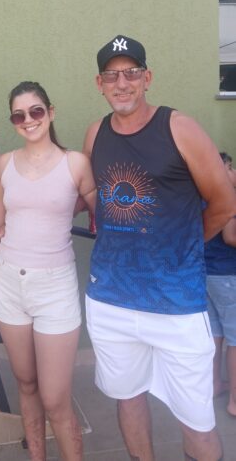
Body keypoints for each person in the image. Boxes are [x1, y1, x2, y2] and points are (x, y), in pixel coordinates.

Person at [83, 34, 236, 461]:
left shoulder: (179, 128)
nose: (122, 83)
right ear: (99, 83)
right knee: (128, 397)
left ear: (147, 77)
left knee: (197, 419)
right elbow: (95, 196)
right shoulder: (96, 134)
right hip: (111, 299)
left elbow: (225, 204)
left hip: (176, 303)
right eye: (112, 75)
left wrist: (182, 245)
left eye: (131, 73)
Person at [0, 81, 96, 461]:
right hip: (8, 282)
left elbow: (101, 212)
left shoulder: (75, 163)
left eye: (36, 111)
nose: (29, 120)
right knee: (26, 383)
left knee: (55, 398)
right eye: (19, 115)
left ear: (50, 112)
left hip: (55, 287)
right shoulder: (5, 163)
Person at [205, 152, 236, 416]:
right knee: (235, 339)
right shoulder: (228, 196)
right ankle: (235, 401)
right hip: (228, 275)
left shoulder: (202, 196)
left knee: (215, 333)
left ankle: (214, 384)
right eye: (230, 167)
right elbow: (230, 237)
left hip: (206, 274)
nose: (234, 172)